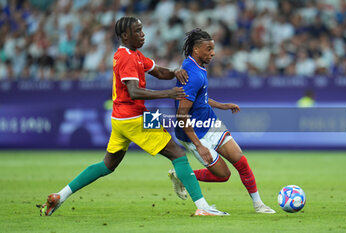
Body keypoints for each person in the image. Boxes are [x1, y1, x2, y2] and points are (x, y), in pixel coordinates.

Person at [39, 17, 228, 217]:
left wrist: (175, 71)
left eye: (142, 30)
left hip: (121, 119)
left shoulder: (134, 54)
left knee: (107, 165)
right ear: (125, 35)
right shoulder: (127, 58)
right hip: (135, 117)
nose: (143, 34)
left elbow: (159, 72)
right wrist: (168, 93)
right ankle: (202, 206)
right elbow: (134, 91)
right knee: (178, 154)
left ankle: (60, 195)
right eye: (137, 31)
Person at [168, 28, 275, 214]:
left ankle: (259, 205)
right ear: (196, 49)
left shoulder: (196, 66)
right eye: (208, 49)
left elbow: (198, 98)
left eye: (213, 48)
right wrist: (199, 146)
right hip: (195, 132)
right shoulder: (192, 75)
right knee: (223, 175)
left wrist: (221, 105)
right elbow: (181, 114)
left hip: (210, 123)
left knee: (241, 161)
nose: (213, 53)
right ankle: (183, 175)